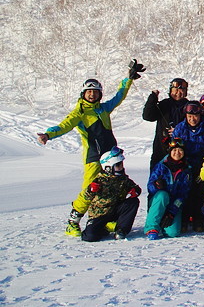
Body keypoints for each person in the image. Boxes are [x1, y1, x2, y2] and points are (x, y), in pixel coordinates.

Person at [37, 60, 141, 237]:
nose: (92, 95)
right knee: (90, 189)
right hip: (93, 157)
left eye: (95, 92)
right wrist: (48, 134)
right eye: (89, 92)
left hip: (111, 156)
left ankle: (108, 219)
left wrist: (128, 79)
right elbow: (65, 125)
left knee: (116, 187)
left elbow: (119, 96)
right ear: (83, 93)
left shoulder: (103, 108)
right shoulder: (80, 112)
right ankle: (73, 221)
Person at [172, 101, 204, 232]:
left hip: (202, 165)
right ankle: (184, 218)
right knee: (184, 191)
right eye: (190, 116)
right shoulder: (180, 128)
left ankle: (199, 218)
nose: (193, 119)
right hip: (185, 165)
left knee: (200, 191)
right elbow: (175, 148)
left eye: (196, 116)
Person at [81, 146, 141, 242]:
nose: (121, 167)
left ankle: (121, 230)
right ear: (108, 167)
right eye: (118, 165)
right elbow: (86, 196)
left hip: (115, 211)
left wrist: (135, 191)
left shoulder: (123, 178)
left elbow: (135, 187)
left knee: (133, 202)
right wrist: (91, 190)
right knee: (90, 237)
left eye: (121, 164)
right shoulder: (99, 180)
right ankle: (103, 228)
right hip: (99, 215)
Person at [145, 137, 193, 239]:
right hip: (159, 201)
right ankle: (152, 227)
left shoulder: (186, 170)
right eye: (174, 150)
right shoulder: (161, 166)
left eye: (180, 150)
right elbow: (150, 187)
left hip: (173, 204)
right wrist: (156, 185)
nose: (177, 153)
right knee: (163, 195)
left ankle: (163, 221)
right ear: (170, 152)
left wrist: (172, 213)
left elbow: (183, 195)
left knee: (173, 233)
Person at [143, 77, 188, 173]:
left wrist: (179, 130)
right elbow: (148, 116)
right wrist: (153, 98)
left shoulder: (188, 106)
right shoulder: (164, 104)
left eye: (181, 90)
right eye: (175, 90)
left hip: (181, 153)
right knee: (157, 180)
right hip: (161, 150)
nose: (178, 93)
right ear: (170, 90)